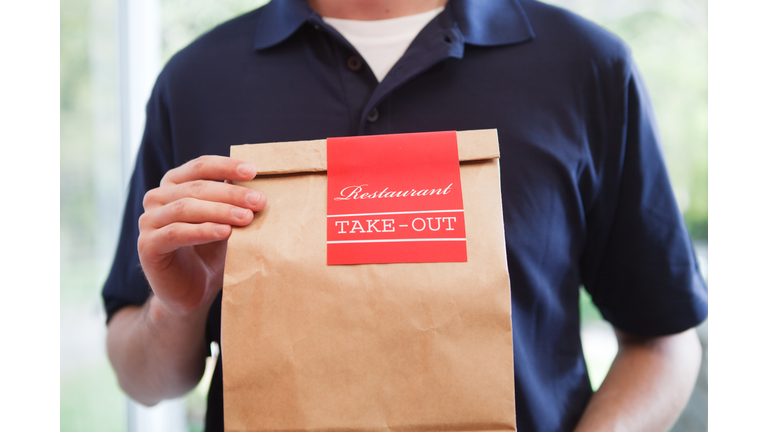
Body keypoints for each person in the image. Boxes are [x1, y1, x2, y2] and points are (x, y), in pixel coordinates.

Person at [102, 0, 708, 431]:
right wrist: (177, 309)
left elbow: (663, 342)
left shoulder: (585, 66)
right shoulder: (198, 81)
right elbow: (143, 380)